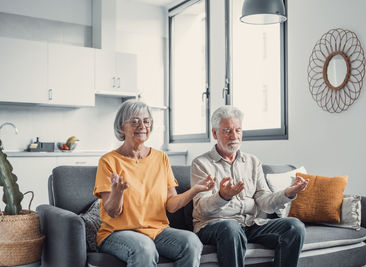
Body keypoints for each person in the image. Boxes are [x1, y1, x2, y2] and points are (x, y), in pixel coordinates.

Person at [94, 100, 216, 267]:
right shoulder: (108, 161)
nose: (142, 126)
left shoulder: (161, 158)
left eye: (146, 121)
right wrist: (118, 193)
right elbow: (113, 213)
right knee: (144, 248)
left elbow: (171, 205)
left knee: (192, 242)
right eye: (135, 121)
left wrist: (195, 190)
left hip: (156, 231)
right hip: (117, 233)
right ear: (121, 127)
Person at [191, 105, 309, 267]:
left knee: (294, 227)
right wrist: (222, 197)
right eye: (227, 131)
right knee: (231, 227)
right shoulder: (201, 164)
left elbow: (265, 202)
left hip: (250, 224)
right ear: (214, 133)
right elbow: (202, 208)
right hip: (214, 225)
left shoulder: (253, 162)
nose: (234, 136)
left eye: (238, 130)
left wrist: (287, 193)